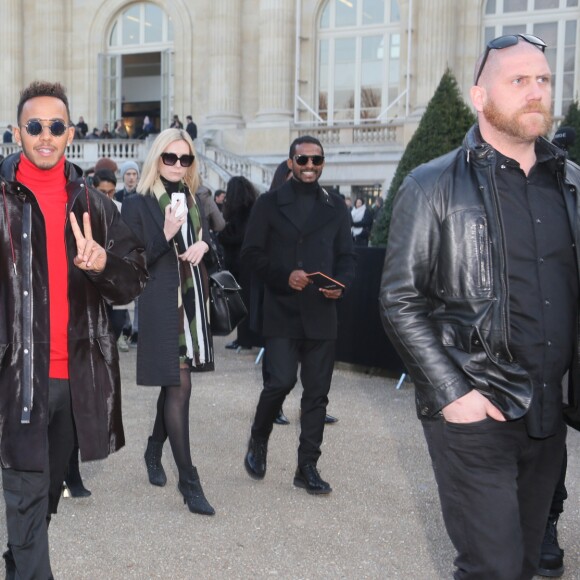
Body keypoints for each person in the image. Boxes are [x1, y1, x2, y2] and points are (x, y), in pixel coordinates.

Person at [379, 34, 580, 580]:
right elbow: (399, 300)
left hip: (548, 413)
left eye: (543, 79)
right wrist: (454, 395)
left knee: (522, 562)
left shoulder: (571, 185)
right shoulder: (432, 184)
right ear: (479, 96)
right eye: (518, 81)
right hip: (476, 409)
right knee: (491, 568)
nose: (535, 92)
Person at [0, 80, 147, 579]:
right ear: (18, 132)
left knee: (40, 500)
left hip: (74, 379)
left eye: (56, 126)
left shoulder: (96, 206)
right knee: (25, 492)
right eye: (35, 126)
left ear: (70, 133)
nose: (46, 135)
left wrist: (104, 262)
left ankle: (16, 559)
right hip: (16, 379)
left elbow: (133, 281)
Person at [241, 136, 355, 494]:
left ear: (323, 164)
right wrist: (283, 275)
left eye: (316, 160)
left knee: (318, 394)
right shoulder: (269, 204)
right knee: (281, 381)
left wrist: (343, 284)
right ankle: (259, 436)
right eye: (302, 160)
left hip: (322, 311)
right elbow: (251, 254)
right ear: (290, 162)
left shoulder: (336, 206)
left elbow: (348, 257)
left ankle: (307, 466)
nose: (309, 166)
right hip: (282, 309)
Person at [121, 128, 215, 516]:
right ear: (156, 158)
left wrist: (204, 243)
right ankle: (189, 481)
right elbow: (134, 263)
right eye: (170, 158)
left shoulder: (192, 197)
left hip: (193, 301)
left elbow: (212, 236)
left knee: (174, 383)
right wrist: (166, 234)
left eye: (185, 159)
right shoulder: (136, 202)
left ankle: (153, 447)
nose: (178, 165)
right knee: (180, 385)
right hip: (163, 303)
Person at [218, 176, 259, 351]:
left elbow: (238, 237)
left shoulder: (241, 211)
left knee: (242, 302)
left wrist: (222, 235)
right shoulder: (252, 208)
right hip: (246, 262)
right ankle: (246, 338)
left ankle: (244, 339)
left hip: (241, 262)